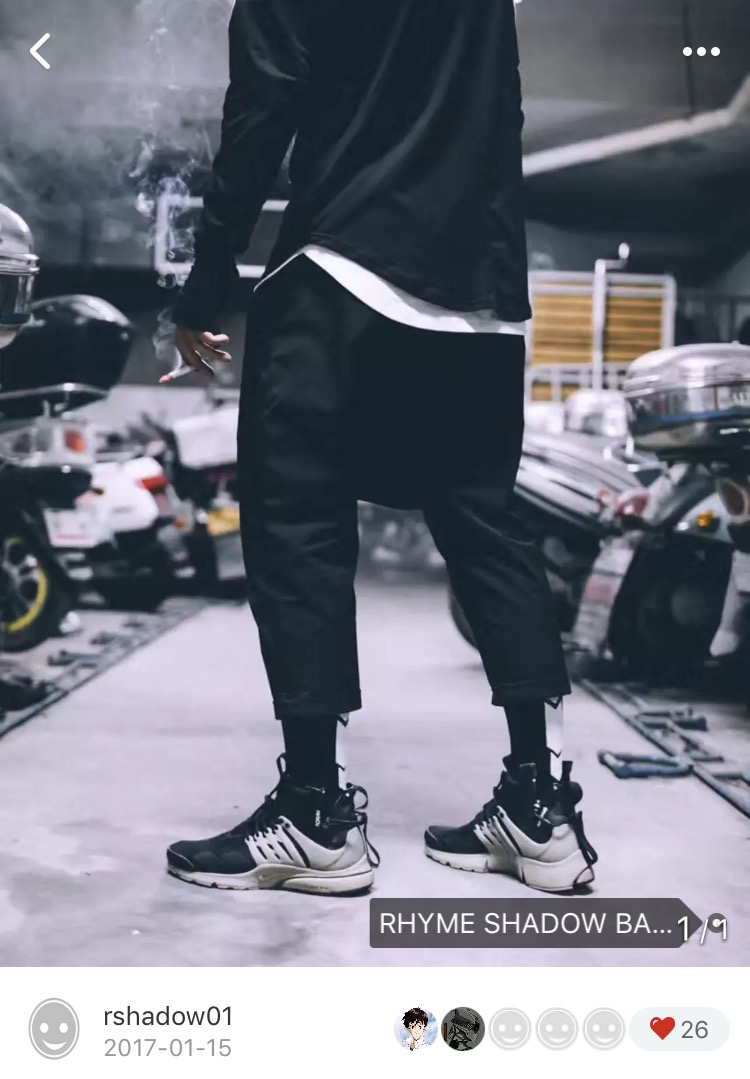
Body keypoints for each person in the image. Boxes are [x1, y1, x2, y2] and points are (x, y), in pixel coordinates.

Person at [166, 0, 597, 895]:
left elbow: (261, 110)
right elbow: (503, 109)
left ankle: (315, 812)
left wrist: (206, 287)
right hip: (477, 292)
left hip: (343, 267)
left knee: (298, 527)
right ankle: (539, 807)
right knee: (490, 529)